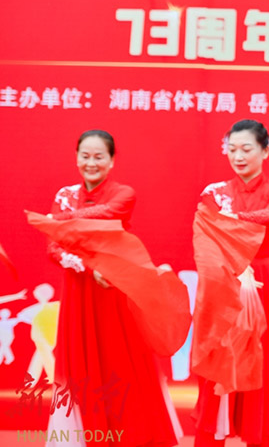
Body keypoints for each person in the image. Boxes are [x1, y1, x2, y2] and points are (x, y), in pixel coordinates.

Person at [45, 130, 180, 446]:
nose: (91, 163)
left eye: (98, 156)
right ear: (76, 157)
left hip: (115, 293)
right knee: (79, 367)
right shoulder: (65, 195)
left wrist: (61, 221)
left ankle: (131, 437)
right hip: (79, 294)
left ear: (111, 160)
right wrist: (88, 267)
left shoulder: (123, 194)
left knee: (121, 365)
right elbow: (54, 248)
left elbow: (104, 219)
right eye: (85, 156)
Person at [193, 119, 269, 447]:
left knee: (265, 365)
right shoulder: (214, 192)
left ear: (265, 151)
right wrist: (232, 263)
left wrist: (229, 220)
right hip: (224, 281)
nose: (238, 156)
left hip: (265, 284)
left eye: (246, 149)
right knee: (219, 363)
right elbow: (206, 237)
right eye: (232, 149)